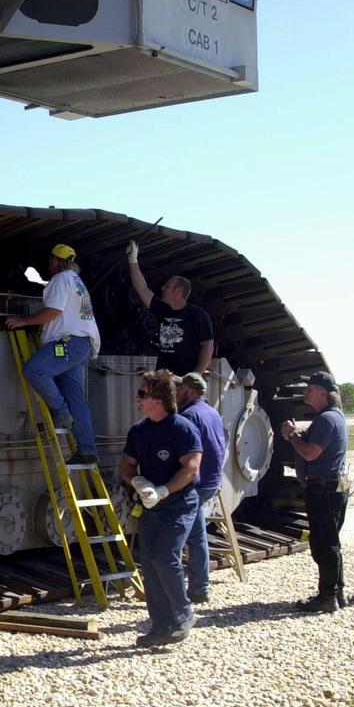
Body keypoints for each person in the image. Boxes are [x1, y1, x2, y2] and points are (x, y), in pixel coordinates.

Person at [120, 369, 203, 647]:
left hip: (179, 504)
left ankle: (182, 616)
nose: (137, 398)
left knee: (166, 557)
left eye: (142, 394)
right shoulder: (139, 431)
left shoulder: (182, 428)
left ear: (158, 399)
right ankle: (161, 624)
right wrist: (137, 481)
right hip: (150, 506)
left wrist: (165, 490)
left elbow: (191, 468)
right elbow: (126, 464)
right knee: (151, 563)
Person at [6, 243, 102, 464]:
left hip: (68, 342)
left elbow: (53, 311)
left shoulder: (60, 279)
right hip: (83, 344)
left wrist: (24, 321)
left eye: (51, 260)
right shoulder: (77, 281)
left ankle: (60, 413)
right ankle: (87, 450)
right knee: (76, 397)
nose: (49, 264)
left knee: (34, 370)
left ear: (56, 261)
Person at [280, 371, 349, 613]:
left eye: (310, 388)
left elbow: (310, 453)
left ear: (323, 393)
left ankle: (327, 595)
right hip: (329, 486)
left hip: (323, 488)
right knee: (330, 541)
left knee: (323, 543)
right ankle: (337, 592)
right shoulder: (331, 417)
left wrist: (291, 436)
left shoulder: (327, 419)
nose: (306, 391)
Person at [126, 240, 214, 375]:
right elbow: (142, 289)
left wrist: (195, 376)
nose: (162, 288)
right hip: (163, 377)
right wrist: (133, 261)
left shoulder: (197, 315)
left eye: (167, 286)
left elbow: (208, 346)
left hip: (184, 378)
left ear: (178, 292)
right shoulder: (162, 308)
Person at [175, 371, 226, 604]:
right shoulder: (212, 411)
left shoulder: (188, 416)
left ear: (189, 391)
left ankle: (198, 588)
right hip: (213, 481)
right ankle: (197, 586)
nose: (176, 393)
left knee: (194, 537)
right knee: (196, 534)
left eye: (180, 389)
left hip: (197, 483)